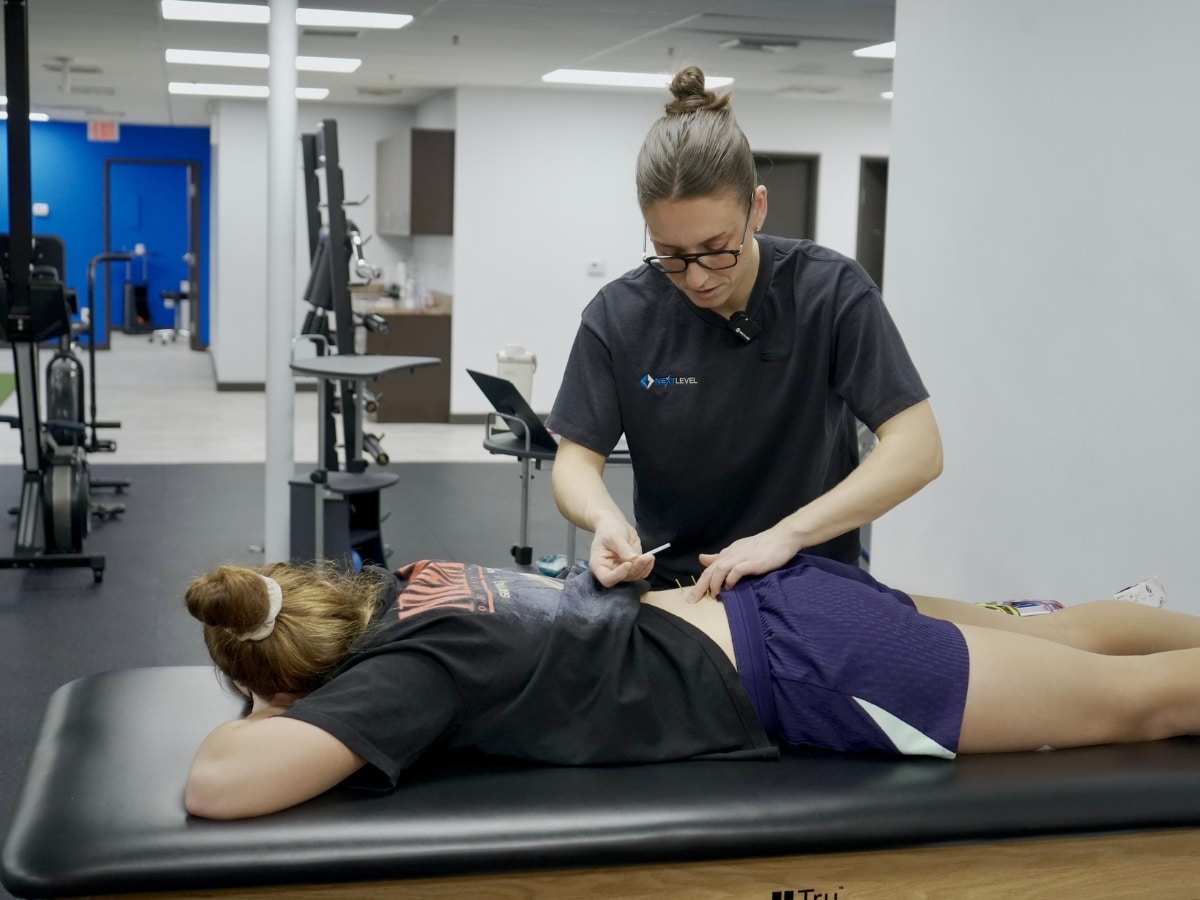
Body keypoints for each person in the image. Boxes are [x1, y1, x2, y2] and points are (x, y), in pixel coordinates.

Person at [184, 555, 1200, 820]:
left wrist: (275, 712)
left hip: (821, 674)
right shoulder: (418, 586)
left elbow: (218, 787)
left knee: (1148, 706)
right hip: (791, 598)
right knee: (1069, 627)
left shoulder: (405, 677)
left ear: (294, 684)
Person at [546, 65, 942, 601]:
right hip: (675, 590)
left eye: (716, 248)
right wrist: (603, 518)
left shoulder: (831, 292)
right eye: (671, 255)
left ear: (757, 207)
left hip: (809, 583)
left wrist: (785, 537)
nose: (698, 277)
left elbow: (918, 449)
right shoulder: (619, 315)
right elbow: (575, 461)